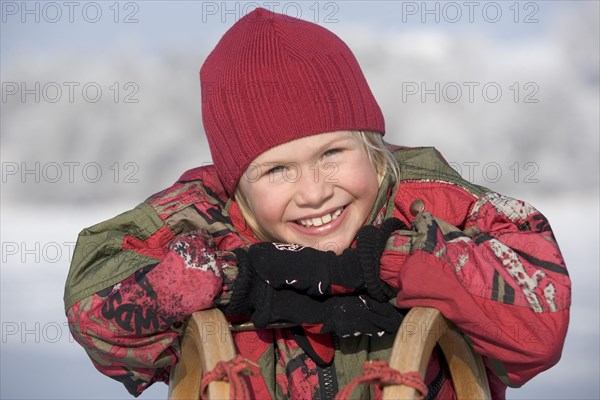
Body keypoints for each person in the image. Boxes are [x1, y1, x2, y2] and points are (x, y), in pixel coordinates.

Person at [64, 8, 570, 400]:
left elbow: (540, 321)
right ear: (237, 183)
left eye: (332, 153)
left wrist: (383, 260)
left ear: (371, 148)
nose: (313, 191)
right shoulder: (203, 216)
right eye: (276, 170)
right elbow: (94, 313)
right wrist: (230, 274)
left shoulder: (431, 203)